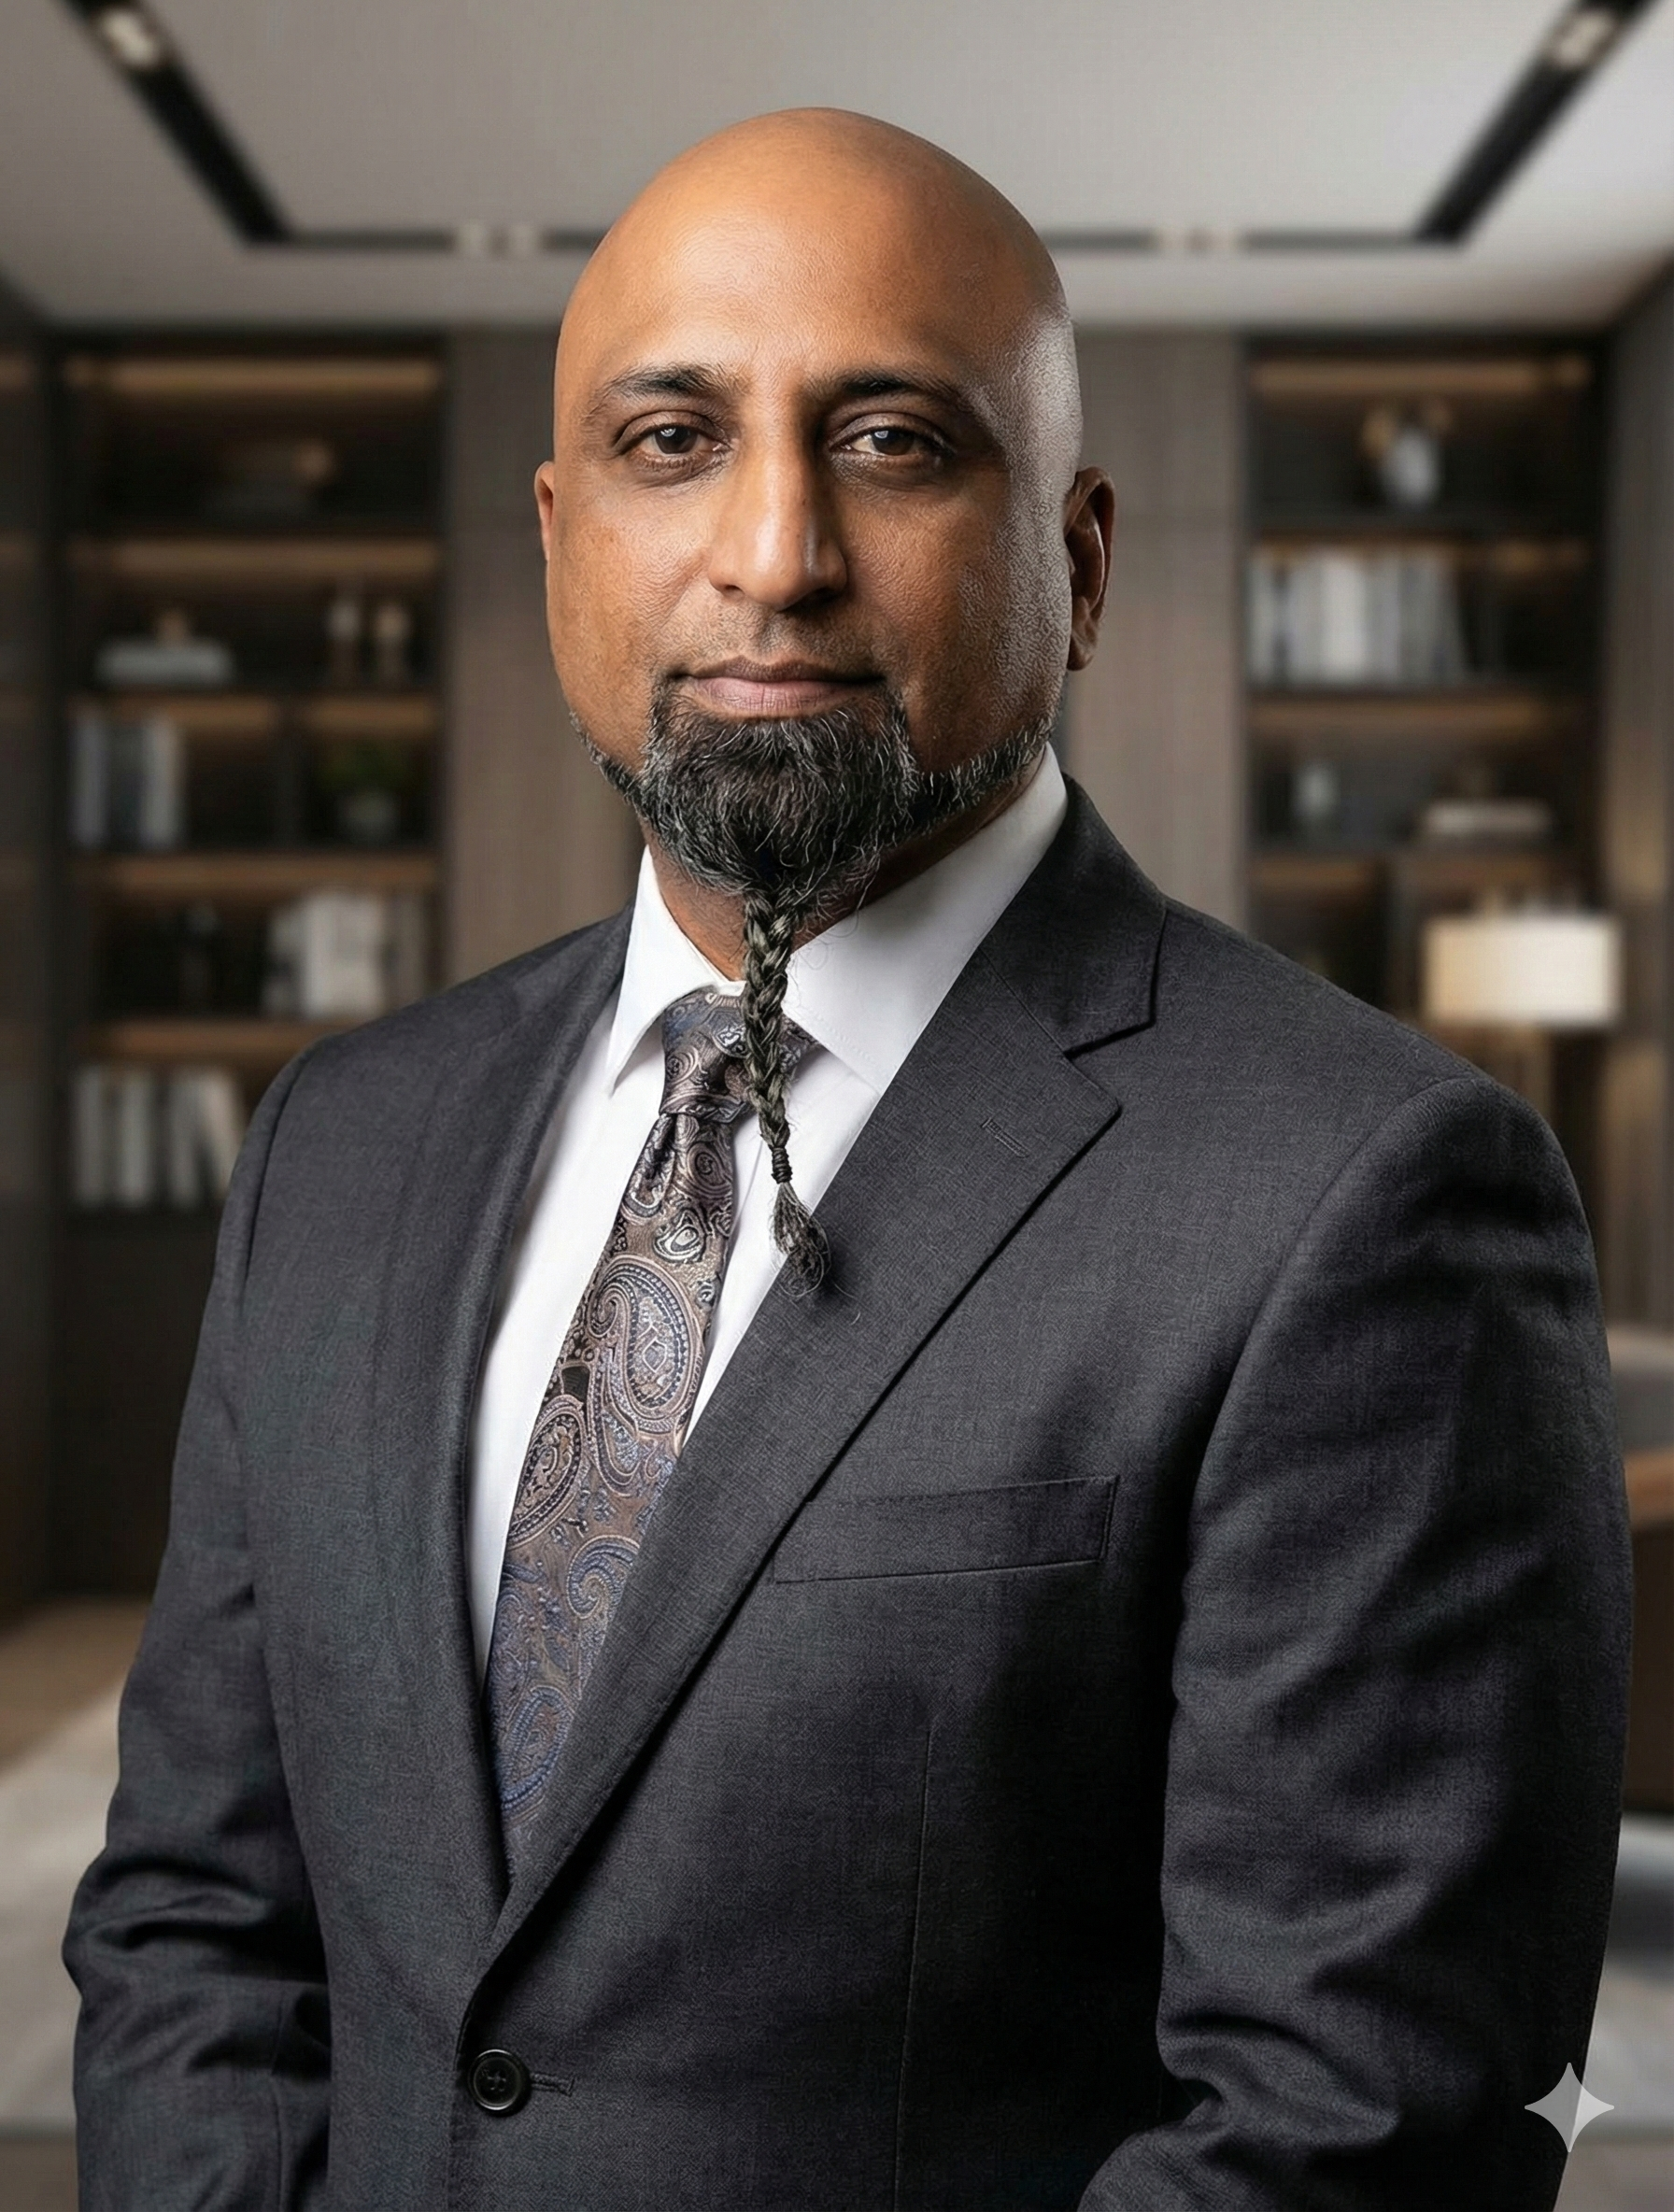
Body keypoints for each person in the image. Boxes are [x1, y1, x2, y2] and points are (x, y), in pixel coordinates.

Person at [66, 109, 1630, 2212]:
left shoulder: (1366, 1191)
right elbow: (192, 1923)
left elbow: (1351, 2125)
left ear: (1073, 563)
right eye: (668, 439)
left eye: (892, 440)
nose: (773, 549)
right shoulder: (343, 1141)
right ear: (553, 539)